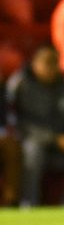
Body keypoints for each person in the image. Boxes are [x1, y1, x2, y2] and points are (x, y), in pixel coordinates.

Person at [7, 45, 64, 207]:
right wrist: (54, 139)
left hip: (63, 146)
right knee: (33, 150)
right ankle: (29, 203)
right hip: (32, 144)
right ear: (34, 63)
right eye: (46, 62)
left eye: (55, 62)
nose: (51, 67)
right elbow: (18, 123)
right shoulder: (20, 84)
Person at [0, 77, 21, 206]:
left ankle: (10, 201)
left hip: (3, 138)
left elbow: (10, 120)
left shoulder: (4, 91)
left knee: (12, 147)